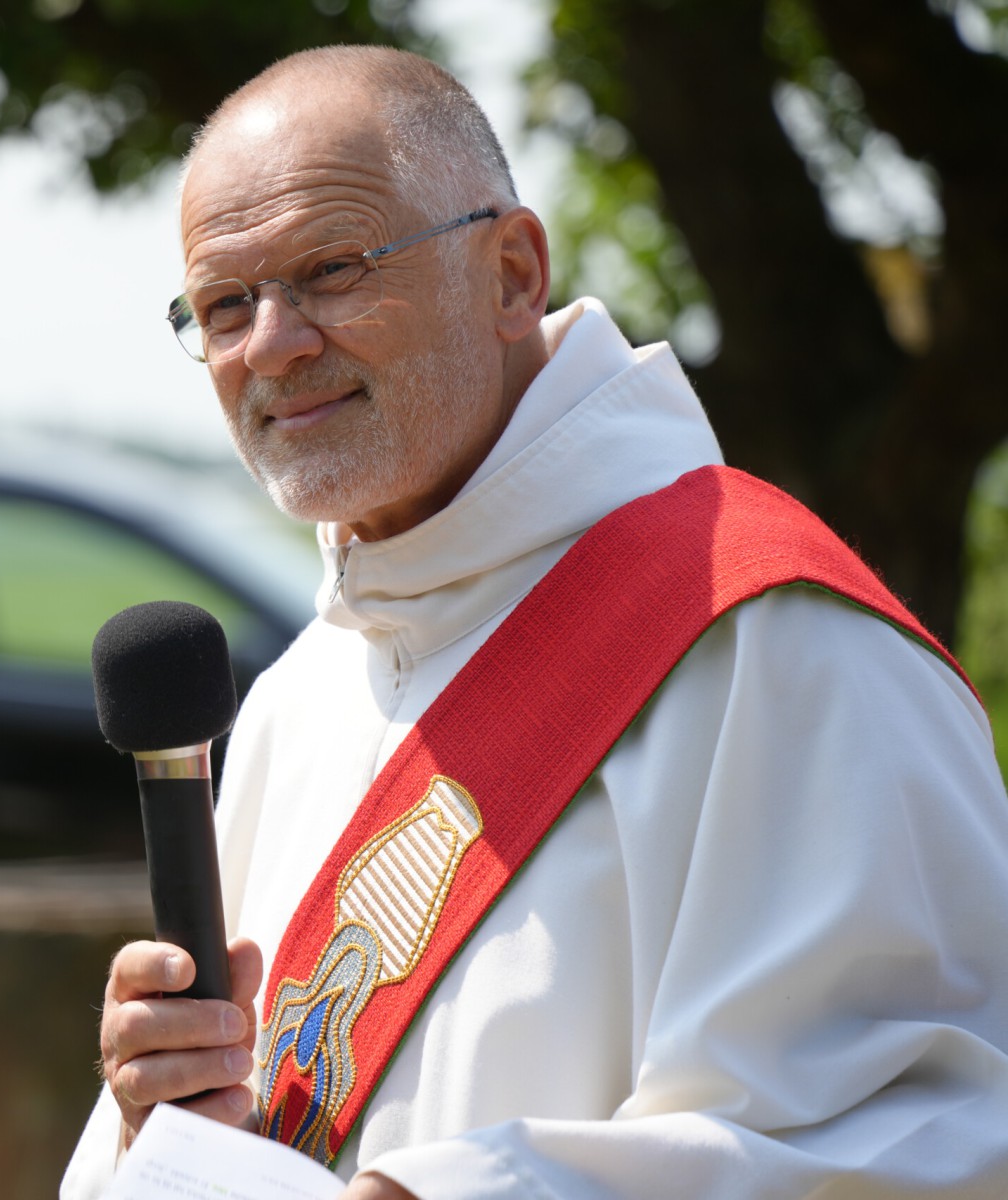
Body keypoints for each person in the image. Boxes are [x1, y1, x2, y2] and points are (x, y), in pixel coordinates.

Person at [61, 46, 1008, 1199]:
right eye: (224, 305)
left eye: (333, 269)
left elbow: (933, 1143)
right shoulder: (301, 695)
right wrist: (165, 1127)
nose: (273, 343)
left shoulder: (774, 640)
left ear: (511, 275)